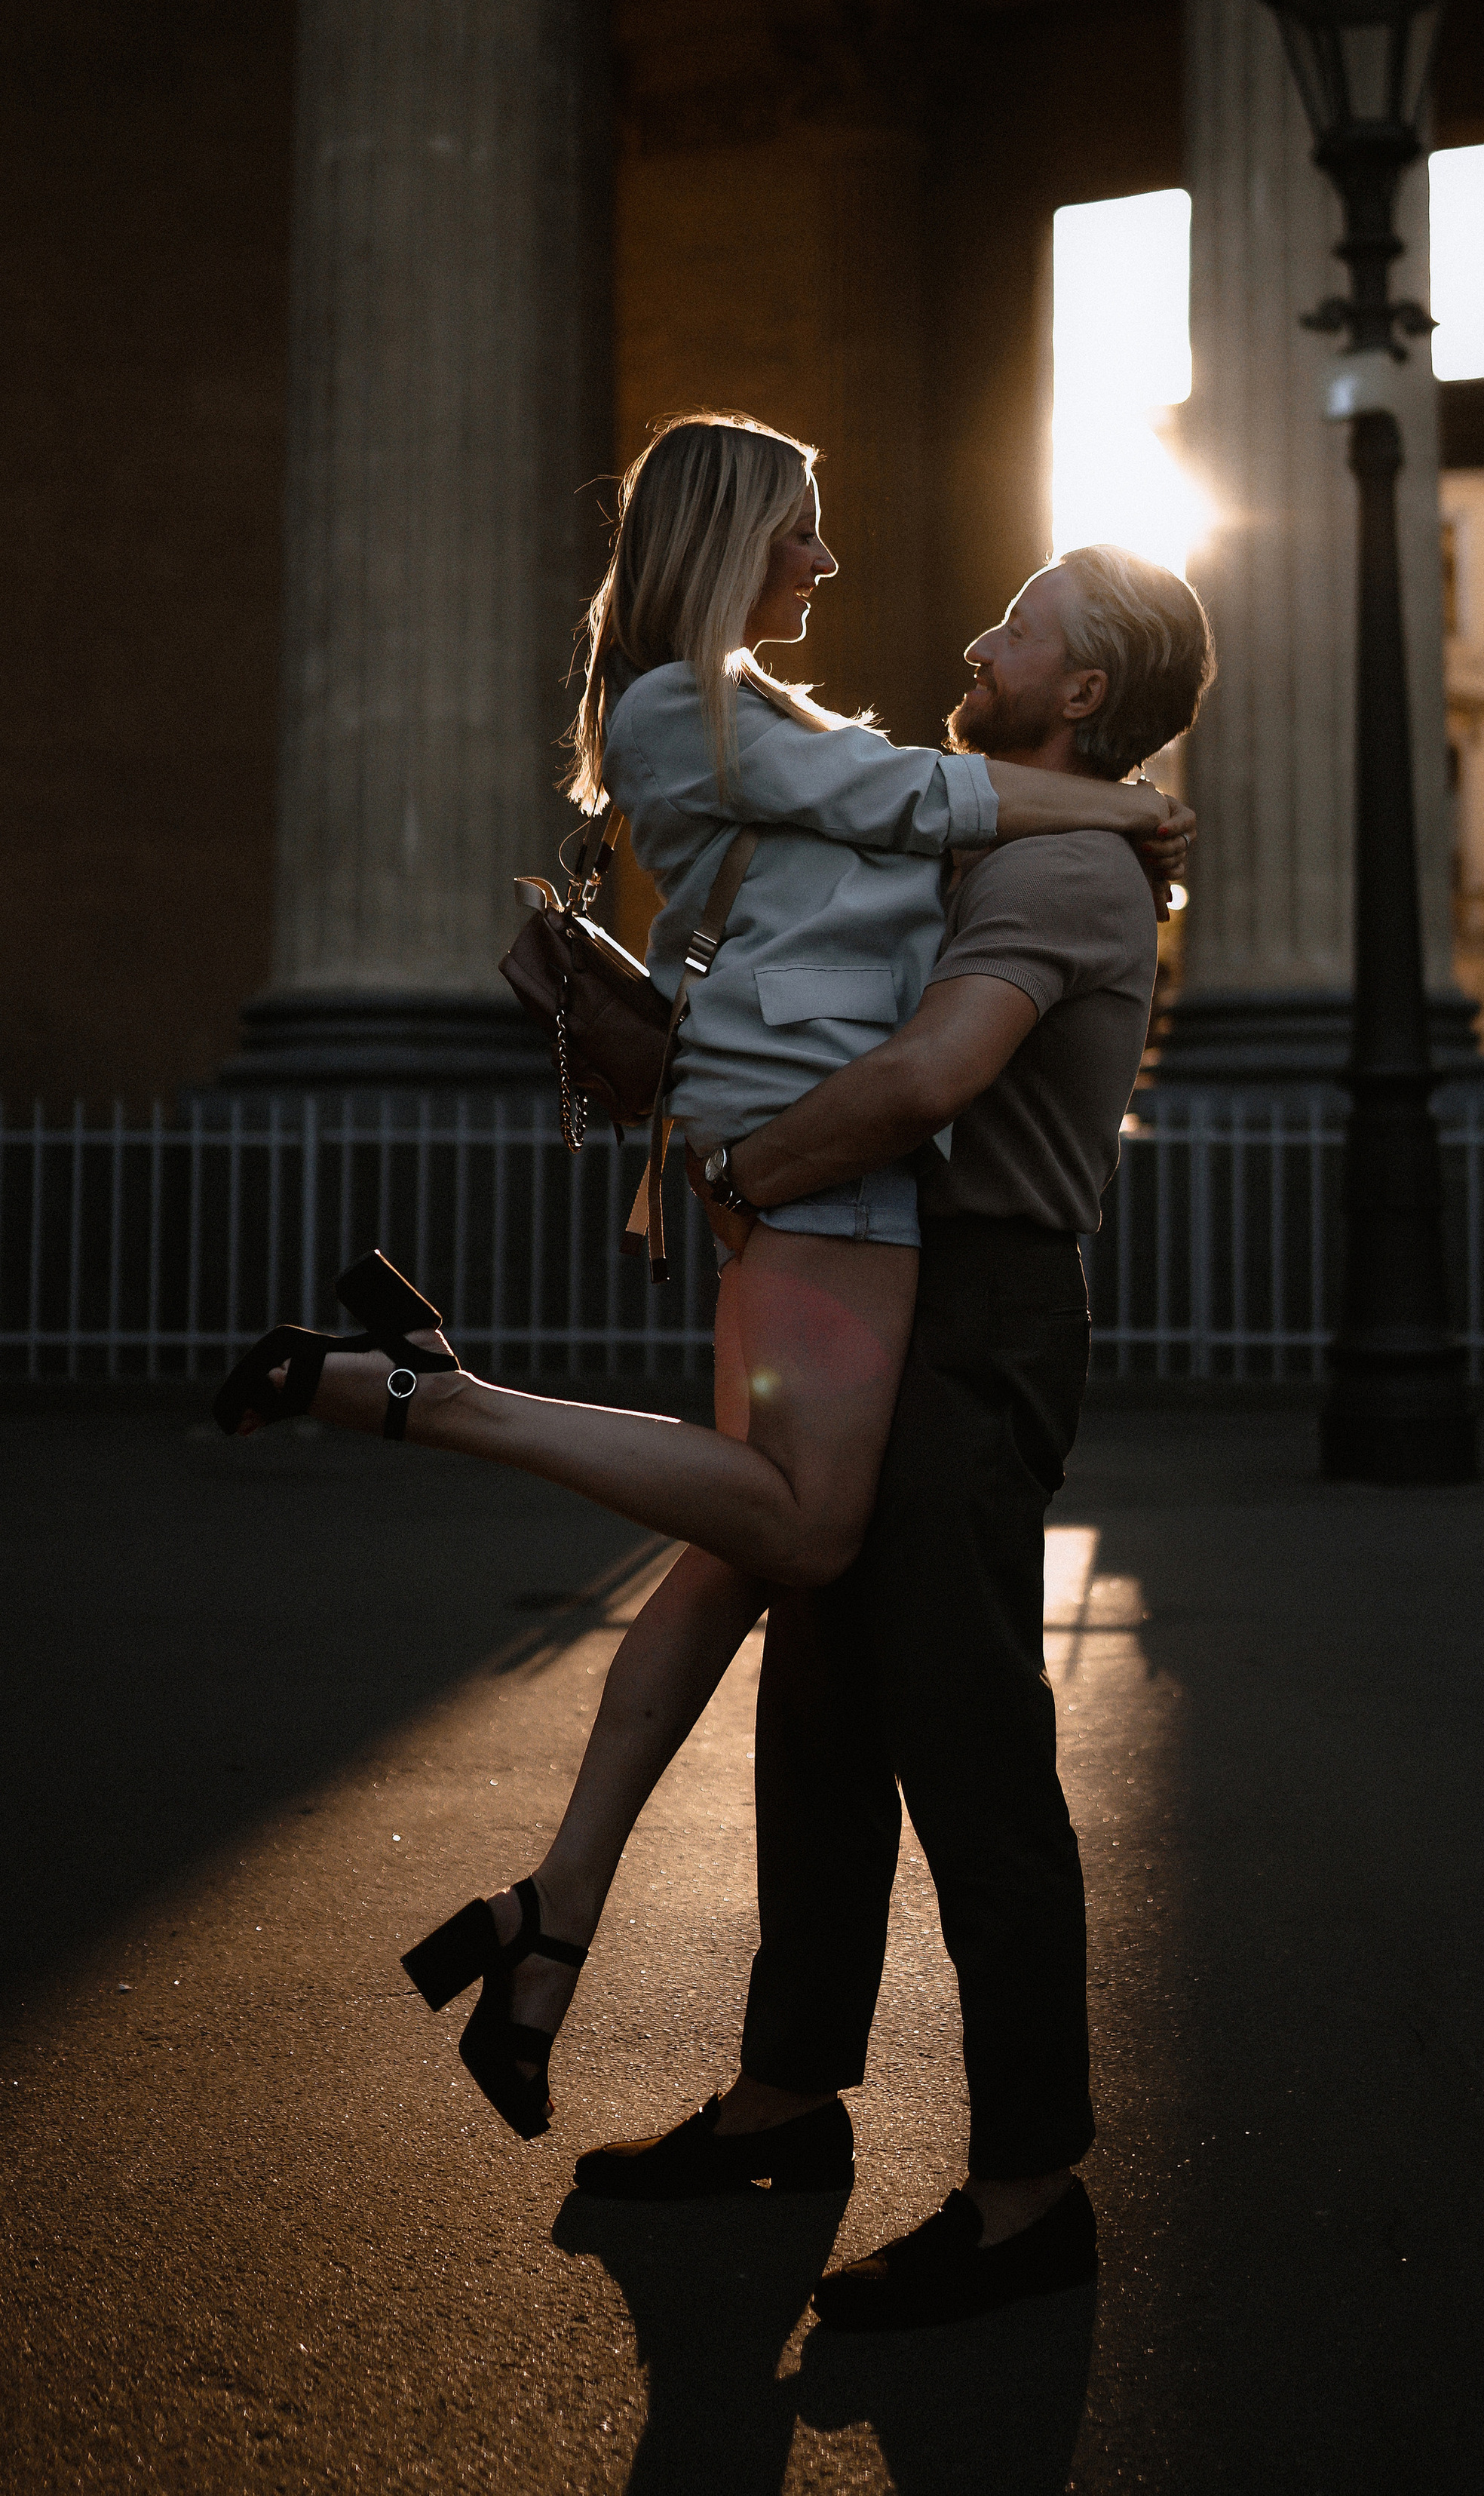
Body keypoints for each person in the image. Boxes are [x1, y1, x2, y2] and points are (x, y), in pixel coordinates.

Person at [212, 411, 1190, 2140]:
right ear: (733, 533)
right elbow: (899, 818)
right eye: (801, 530)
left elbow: (899, 972)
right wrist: (1107, 804)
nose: (844, 570)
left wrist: (1094, 825)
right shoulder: (705, 708)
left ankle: (574, 1927)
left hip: (926, 1255)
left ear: (1087, 682)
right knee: (799, 1592)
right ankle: (429, 1397)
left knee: (810, 1620)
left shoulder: (989, 828)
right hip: (836, 1193)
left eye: (1016, 626)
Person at [570, 541, 1217, 2337]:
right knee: (824, 1712)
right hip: (895, 1287)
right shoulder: (1008, 832)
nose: (972, 638)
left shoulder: (1067, 864)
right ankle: (785, 2098)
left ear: (1077, 696)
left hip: (971, 1309)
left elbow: (931, 1075)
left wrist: (744, 1167)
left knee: (968, 1740)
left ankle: (1027, 2193)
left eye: (1016, 630)